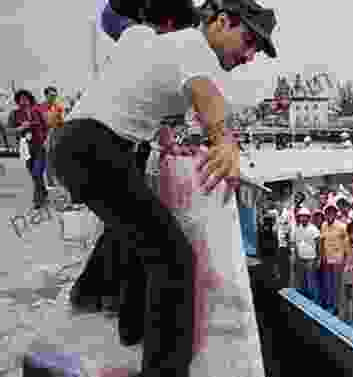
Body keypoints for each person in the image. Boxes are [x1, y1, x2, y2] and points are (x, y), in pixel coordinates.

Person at [48, 1, 278, 376]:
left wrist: (166, 137)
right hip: (95, 148)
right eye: (248, 40)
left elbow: (136, 81)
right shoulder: (195, 46)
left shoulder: (148, 40)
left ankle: (118, 317)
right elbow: (207, 94)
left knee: (138, 232)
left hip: (81, 145)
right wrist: (223, 140)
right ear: (220, 21)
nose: (249, 55)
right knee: (173, 261)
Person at [9, 90, 49, 208]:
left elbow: (45, 126)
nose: (23, 101)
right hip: (25, 147)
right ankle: (43, 191)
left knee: (37, 171)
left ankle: (38, 200)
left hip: (39, 145)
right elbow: (9, 130)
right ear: (17, 101)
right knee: (33, 173)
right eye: (21, 99)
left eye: (25, 98)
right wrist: (20, 128)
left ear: (29, 99)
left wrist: (46, 139)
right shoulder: (14, 114)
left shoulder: (37, 111)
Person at [321, 199, 350, 316]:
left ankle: (338, 306)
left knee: (338, 284)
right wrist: (322, 256)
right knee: (329, 282)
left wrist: (346, 259)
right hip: (327, 258)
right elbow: (322, 241)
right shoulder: (323, 225)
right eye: (328, 212)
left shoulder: (343, 226)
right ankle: (331, 303)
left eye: (332, 212)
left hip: (339, 259)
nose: (330, 214)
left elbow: (347, 244)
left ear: (335, 213)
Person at [291, 207, 321, 302]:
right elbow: (295, 244)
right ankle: (303, 299)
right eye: (301, 217)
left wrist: (318, 259)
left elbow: (318, 244)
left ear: (308, 218)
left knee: (311, 281)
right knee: (302, 280)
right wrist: (295, 257)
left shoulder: (313, 229)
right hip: (300, 258)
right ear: (299, 218)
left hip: (311, 259)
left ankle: (312, 300)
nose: (303, 219)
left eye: (305, 217)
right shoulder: (296, 229)